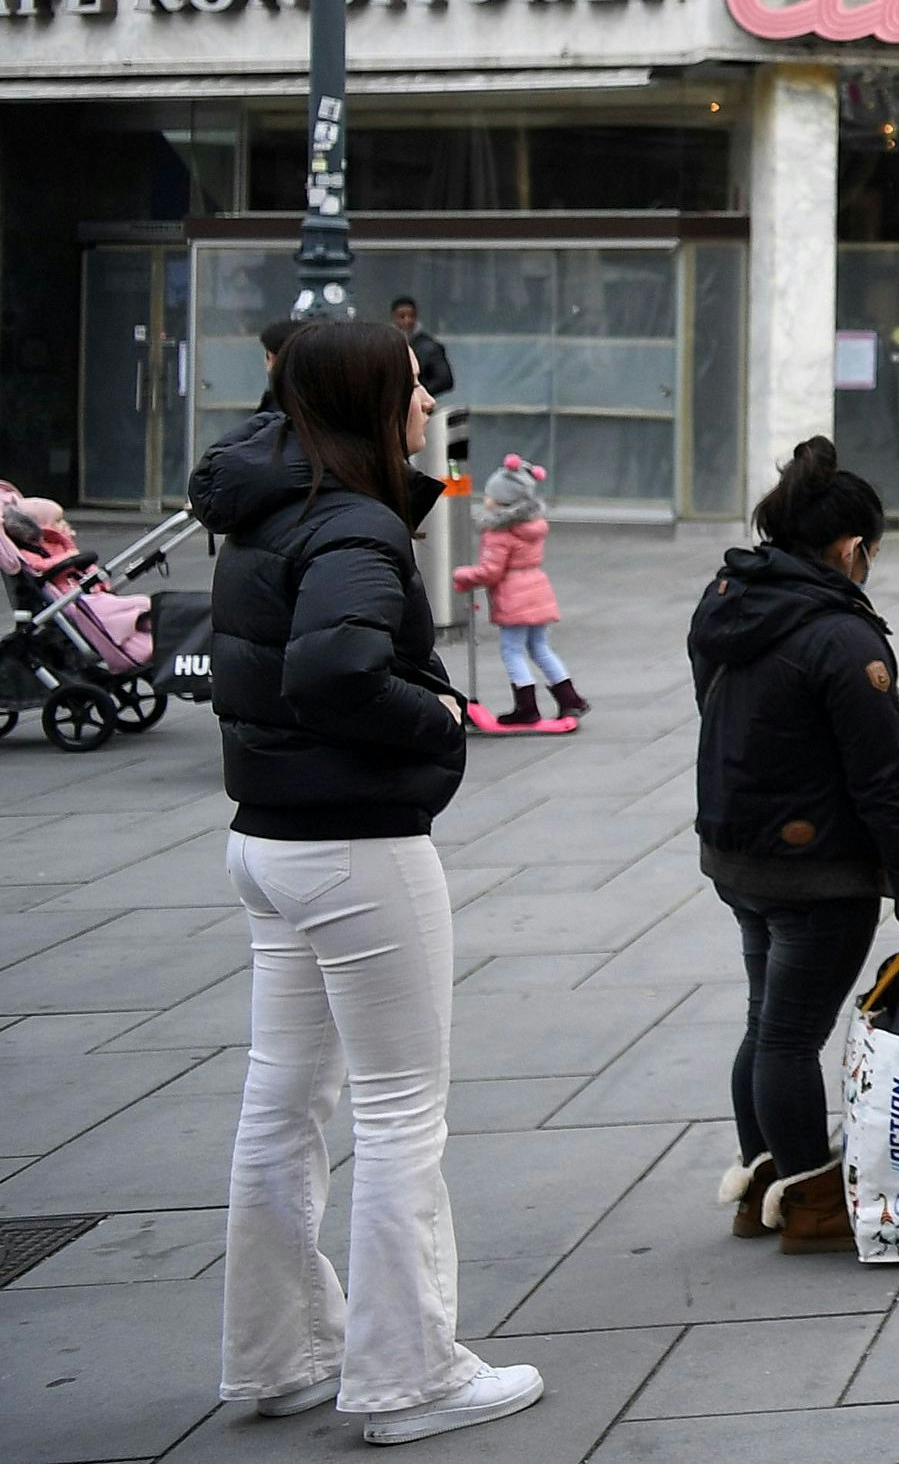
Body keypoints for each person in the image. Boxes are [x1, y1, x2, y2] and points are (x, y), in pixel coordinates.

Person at [201, 319, 547, 1444]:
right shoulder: (352, 522)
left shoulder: (270, 507)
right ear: (366, 401)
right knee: (401, 1113)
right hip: (353, 847)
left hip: (271, 840)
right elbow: (337, 667)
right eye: (409, 387)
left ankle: (279, 1354)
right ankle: (409, 1374)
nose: (424, 404)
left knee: (281, 1103)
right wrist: (438, 723)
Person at [689, 437, 899, 1256]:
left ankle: (762, 1178)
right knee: (791, 1035)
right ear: (849, 547)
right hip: (815, 867)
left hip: (739, 847)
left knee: (769, 1021)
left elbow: (739, 711)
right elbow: (883, 782)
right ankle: (809, 1200)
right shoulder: (843, 637)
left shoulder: (730, 596)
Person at [448, 454, 584, 733]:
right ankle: (570, 699)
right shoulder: (531, 527)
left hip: (514, 597)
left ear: (502, 500)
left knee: (512, 650)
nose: (485, 498)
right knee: (540, 647)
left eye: (489, 494)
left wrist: (463, 576)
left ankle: (527, 708)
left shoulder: (499, 532)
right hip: (537, 590)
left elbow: (491, 571)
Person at [387, 296, 455, 401]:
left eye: (411, 316)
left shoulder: (429, 347)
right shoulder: (385, 344)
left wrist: (418, 393)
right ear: (393, 317)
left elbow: (444, 379)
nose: (407, 321)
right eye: (402, 316)